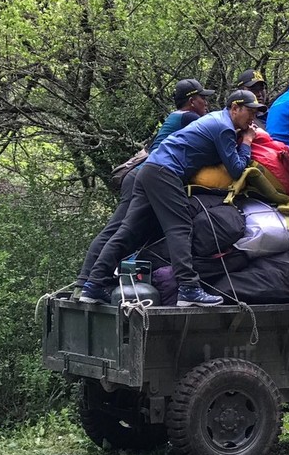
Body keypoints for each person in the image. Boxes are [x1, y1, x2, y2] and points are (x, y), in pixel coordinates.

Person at [80, 90, 266, 307]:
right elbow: (236, 169)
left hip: (149, 169)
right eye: (249, 111)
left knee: (128, 232)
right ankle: (188, 288)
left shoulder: (214, 119)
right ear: (235, 108)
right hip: (164, 172)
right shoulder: (224, 127)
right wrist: (247, 142)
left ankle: (93, 284)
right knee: (180, 228)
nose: (252, 117)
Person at [74, 79, 213, 296]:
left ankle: (92, 283)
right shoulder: (189, 118)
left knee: (129, 231)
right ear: (192, 101)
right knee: (118, 229)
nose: (206, 102)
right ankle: (85, 282)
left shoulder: (176, 117)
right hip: (146, 176)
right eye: (202, 97)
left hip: (144, 175)